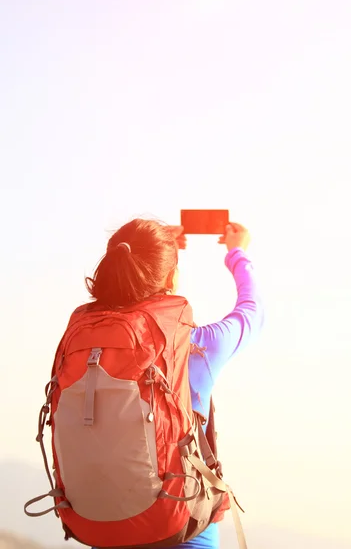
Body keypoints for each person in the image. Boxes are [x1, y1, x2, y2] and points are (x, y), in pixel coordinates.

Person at [85, 218, 264, 549]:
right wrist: (237, 252)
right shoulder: (198, 346)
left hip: (110, 529)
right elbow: (252, 312)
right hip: (184, 531)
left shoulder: (88, 347)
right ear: (171, 278)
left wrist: (153, 249)